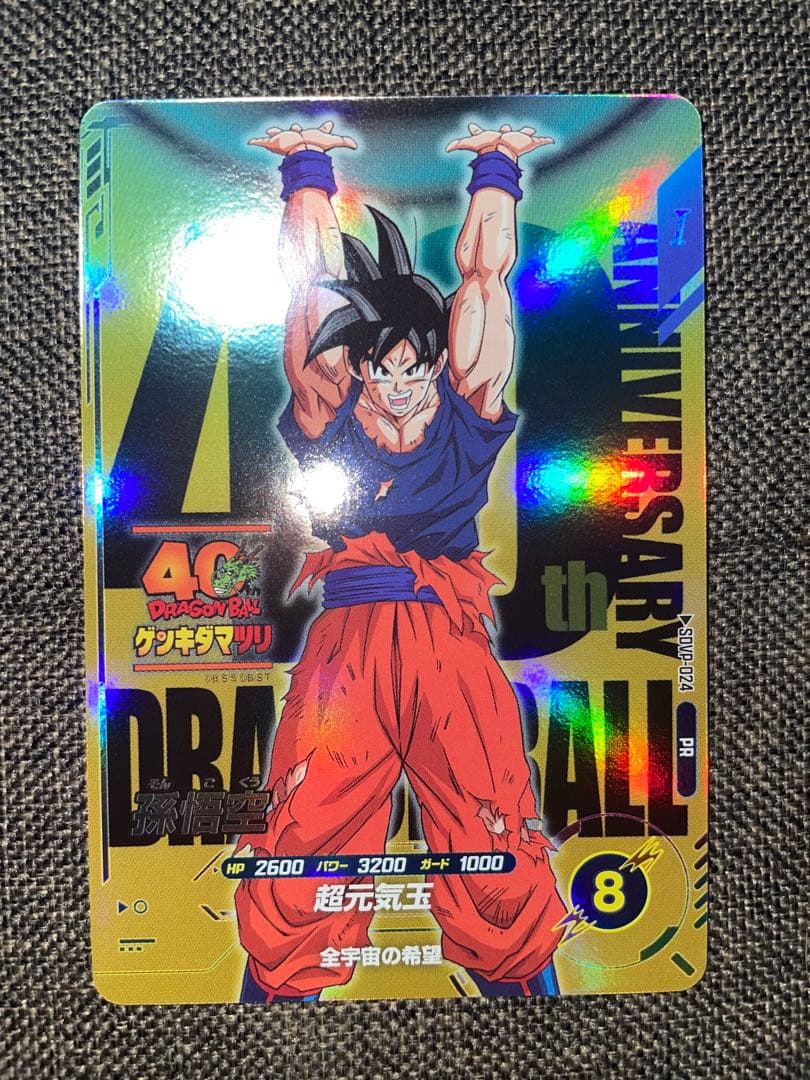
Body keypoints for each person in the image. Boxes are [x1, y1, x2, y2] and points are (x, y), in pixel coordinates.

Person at [235, 118, 565, 1001]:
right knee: (303, 840)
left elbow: (486, 281)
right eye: (384, 370)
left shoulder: (465, 409)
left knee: (494, 835)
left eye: (417, 367)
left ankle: (532, 1002)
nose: (402, 385)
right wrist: (307, 172)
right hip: (347, 647)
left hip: (447, 643)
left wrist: (497, 168)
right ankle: (271, 1005)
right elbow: (308, 287)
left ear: (435, 361)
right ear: (361, 368)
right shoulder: (330, 412)